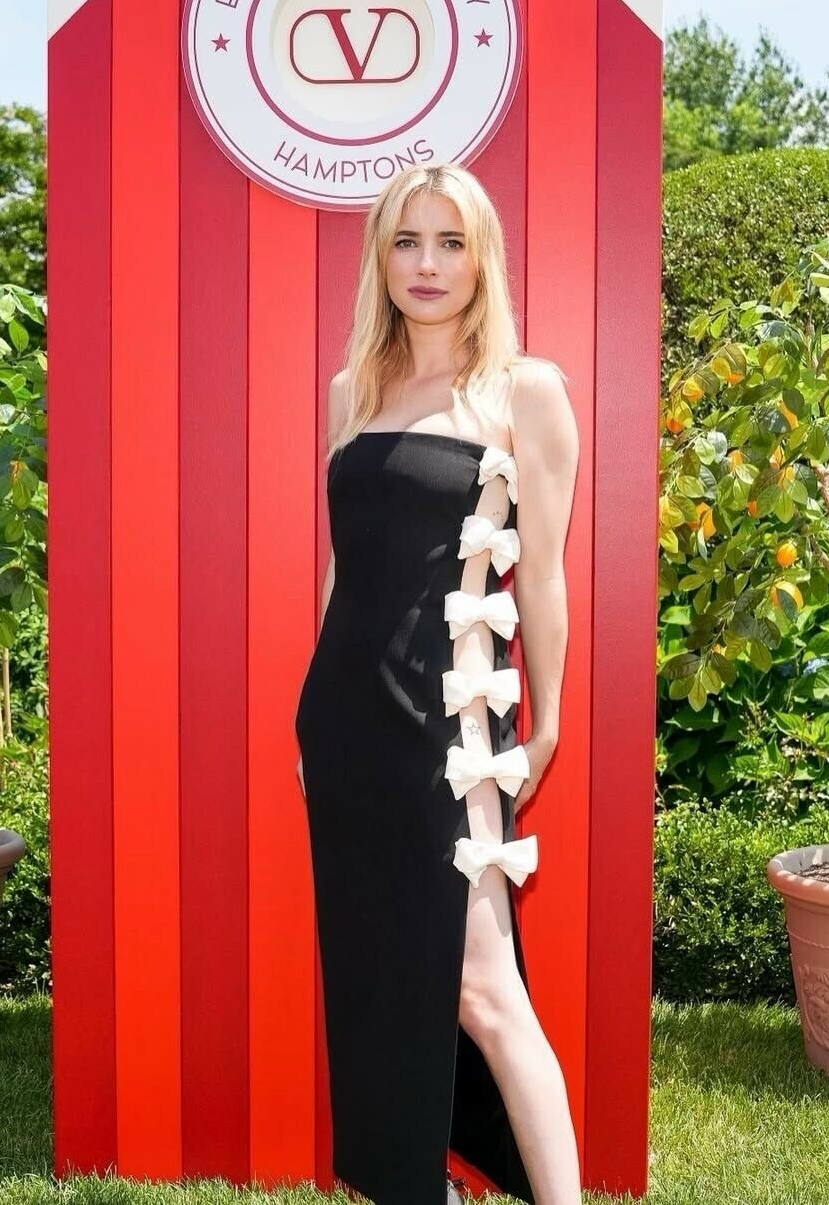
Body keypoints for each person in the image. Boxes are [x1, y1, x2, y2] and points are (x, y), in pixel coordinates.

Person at [294, 161, 581, 1205]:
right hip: (347, 725)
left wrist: (543, 723)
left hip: (451, 726)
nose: (427, 264)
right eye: (407, 242)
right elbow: (344, 568)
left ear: (480, 258)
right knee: (376, 971)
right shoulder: (353, 392)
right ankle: (419, 1187)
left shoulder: (525, 391)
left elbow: (540, 573)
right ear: (382, 258)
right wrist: (311, 718)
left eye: (450, 243)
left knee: (483, 986)